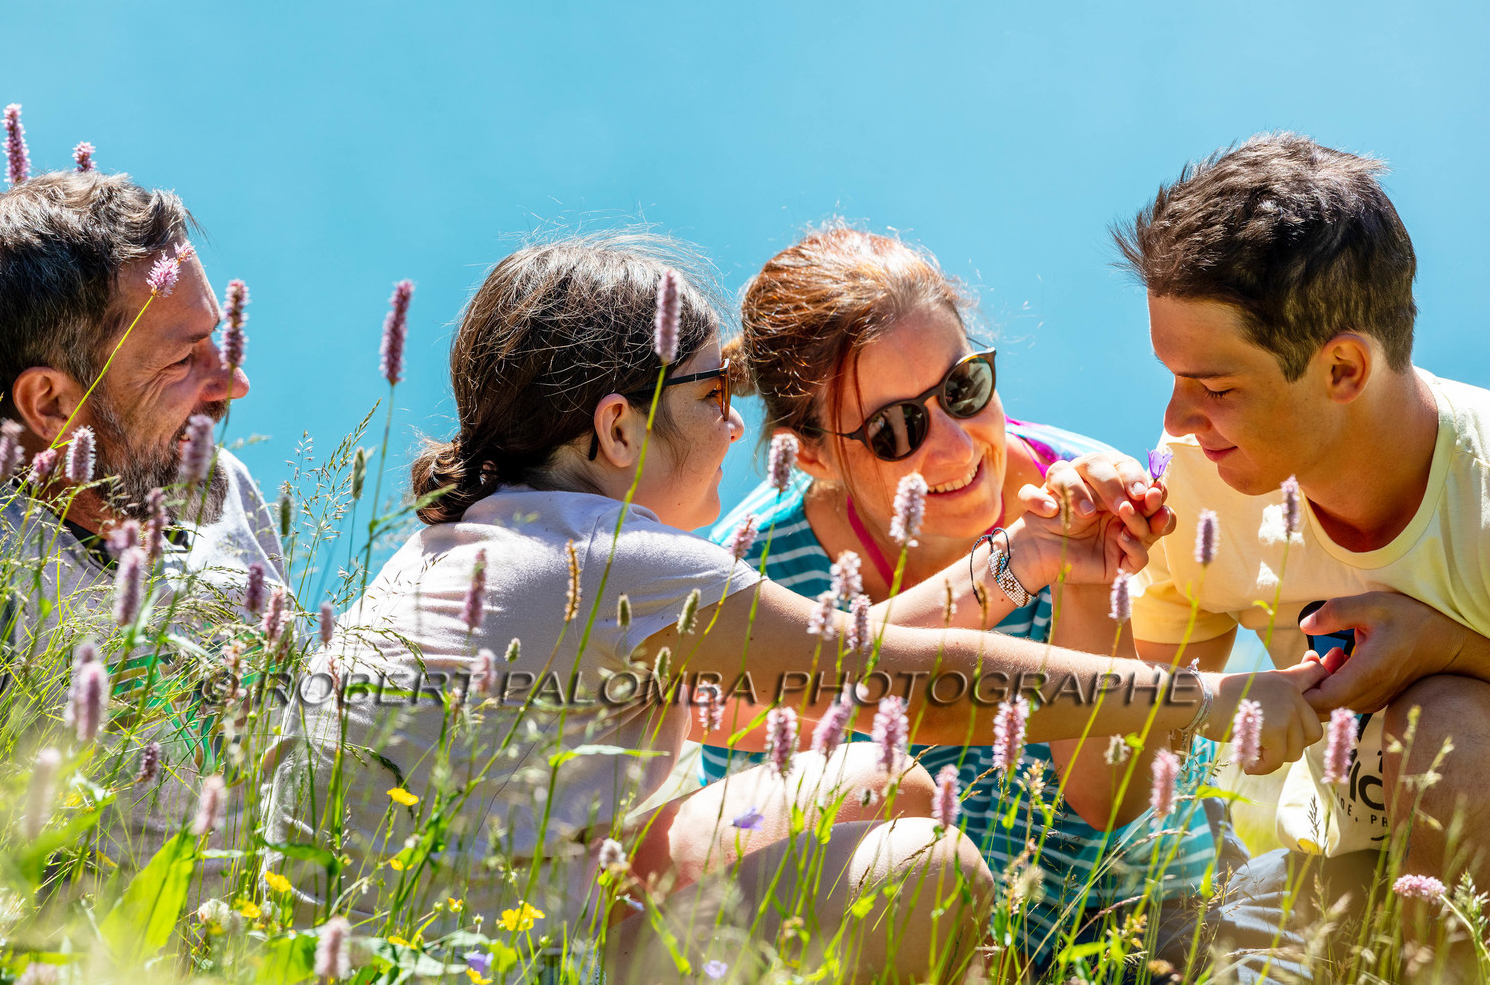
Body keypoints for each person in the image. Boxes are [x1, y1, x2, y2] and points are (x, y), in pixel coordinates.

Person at [263, 232, 1326, 983]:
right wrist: (1216, 703)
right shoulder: (621, 565)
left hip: (427, 925)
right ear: (620, 431)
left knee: (880, 777)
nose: (738, 429)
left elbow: (848, 656)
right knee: (925, 868)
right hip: (496, 959)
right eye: (711, 395)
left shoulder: (479, 543)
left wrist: (1027, 555)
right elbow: (916, 685)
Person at [704, 224, 1239, 970]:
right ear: (814, 454)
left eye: (964, 387)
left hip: (1122, 924)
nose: (956, 446)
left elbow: (1114, 797)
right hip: (899, 941)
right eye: (895, 428)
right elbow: (754, 818)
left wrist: (1085, 579)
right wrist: (1014, 568)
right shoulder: (756, 564)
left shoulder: (1094, 501)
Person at [1121, 133, 1490, 976]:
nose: (1176, 422)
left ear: (1344, 368)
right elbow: (1134, 761)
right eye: (1173, 379)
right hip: (1322, 884)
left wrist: (1447, 650)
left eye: (1216, 388)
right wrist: (1082, 577)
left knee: (1450, 722)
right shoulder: (1200, 480)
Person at [0, 169, 284, 867]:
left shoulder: (225, 488)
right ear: (51, 404)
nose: (234, 383)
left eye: (215, 340)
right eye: (183, 358)